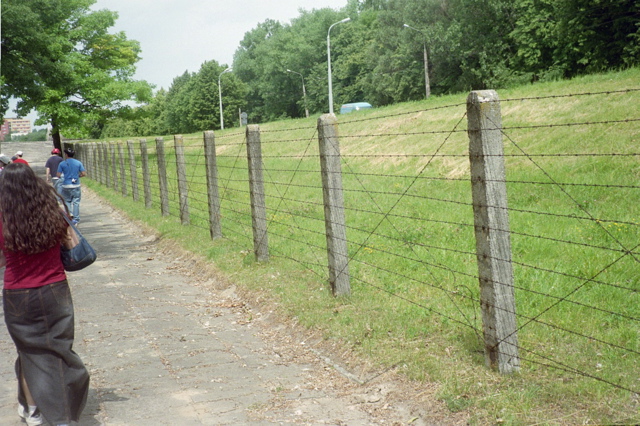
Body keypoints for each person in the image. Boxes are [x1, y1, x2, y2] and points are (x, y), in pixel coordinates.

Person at [0, 163, 90, 426]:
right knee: (60, 349)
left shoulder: (3, 219)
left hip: (18, 294)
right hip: (55, 290)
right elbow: (71, 242)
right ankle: (62, 411)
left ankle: (32, 410)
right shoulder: (53, 211)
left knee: (29, 352)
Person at [57, 148, 86, 225]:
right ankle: (76, 219)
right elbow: (83, 173)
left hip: (66, 185)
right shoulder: (78, 163)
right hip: (76, 185)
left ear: (66, 155)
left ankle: (70, 214)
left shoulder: (62, 164)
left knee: (67, 201)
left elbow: (58, 175)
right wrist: (78, 176)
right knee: (76, 202)